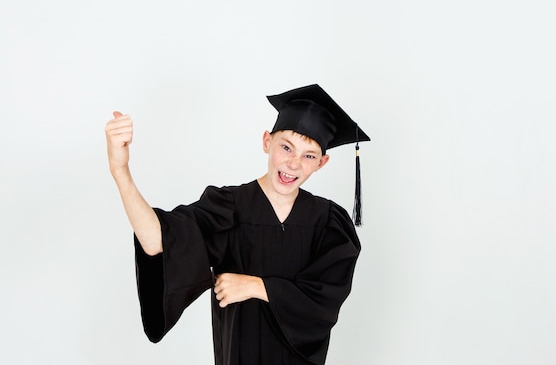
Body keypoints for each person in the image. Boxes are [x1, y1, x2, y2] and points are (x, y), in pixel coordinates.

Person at [105, 84, 370, 365]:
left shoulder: (329, 224)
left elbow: (324, 303)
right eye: (286, 147)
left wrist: (256, 287)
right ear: (267, 141)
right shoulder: (227, 207)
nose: (293, 164)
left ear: (322, 162)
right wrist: (120, 171)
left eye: (309, 155)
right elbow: (159, 240)